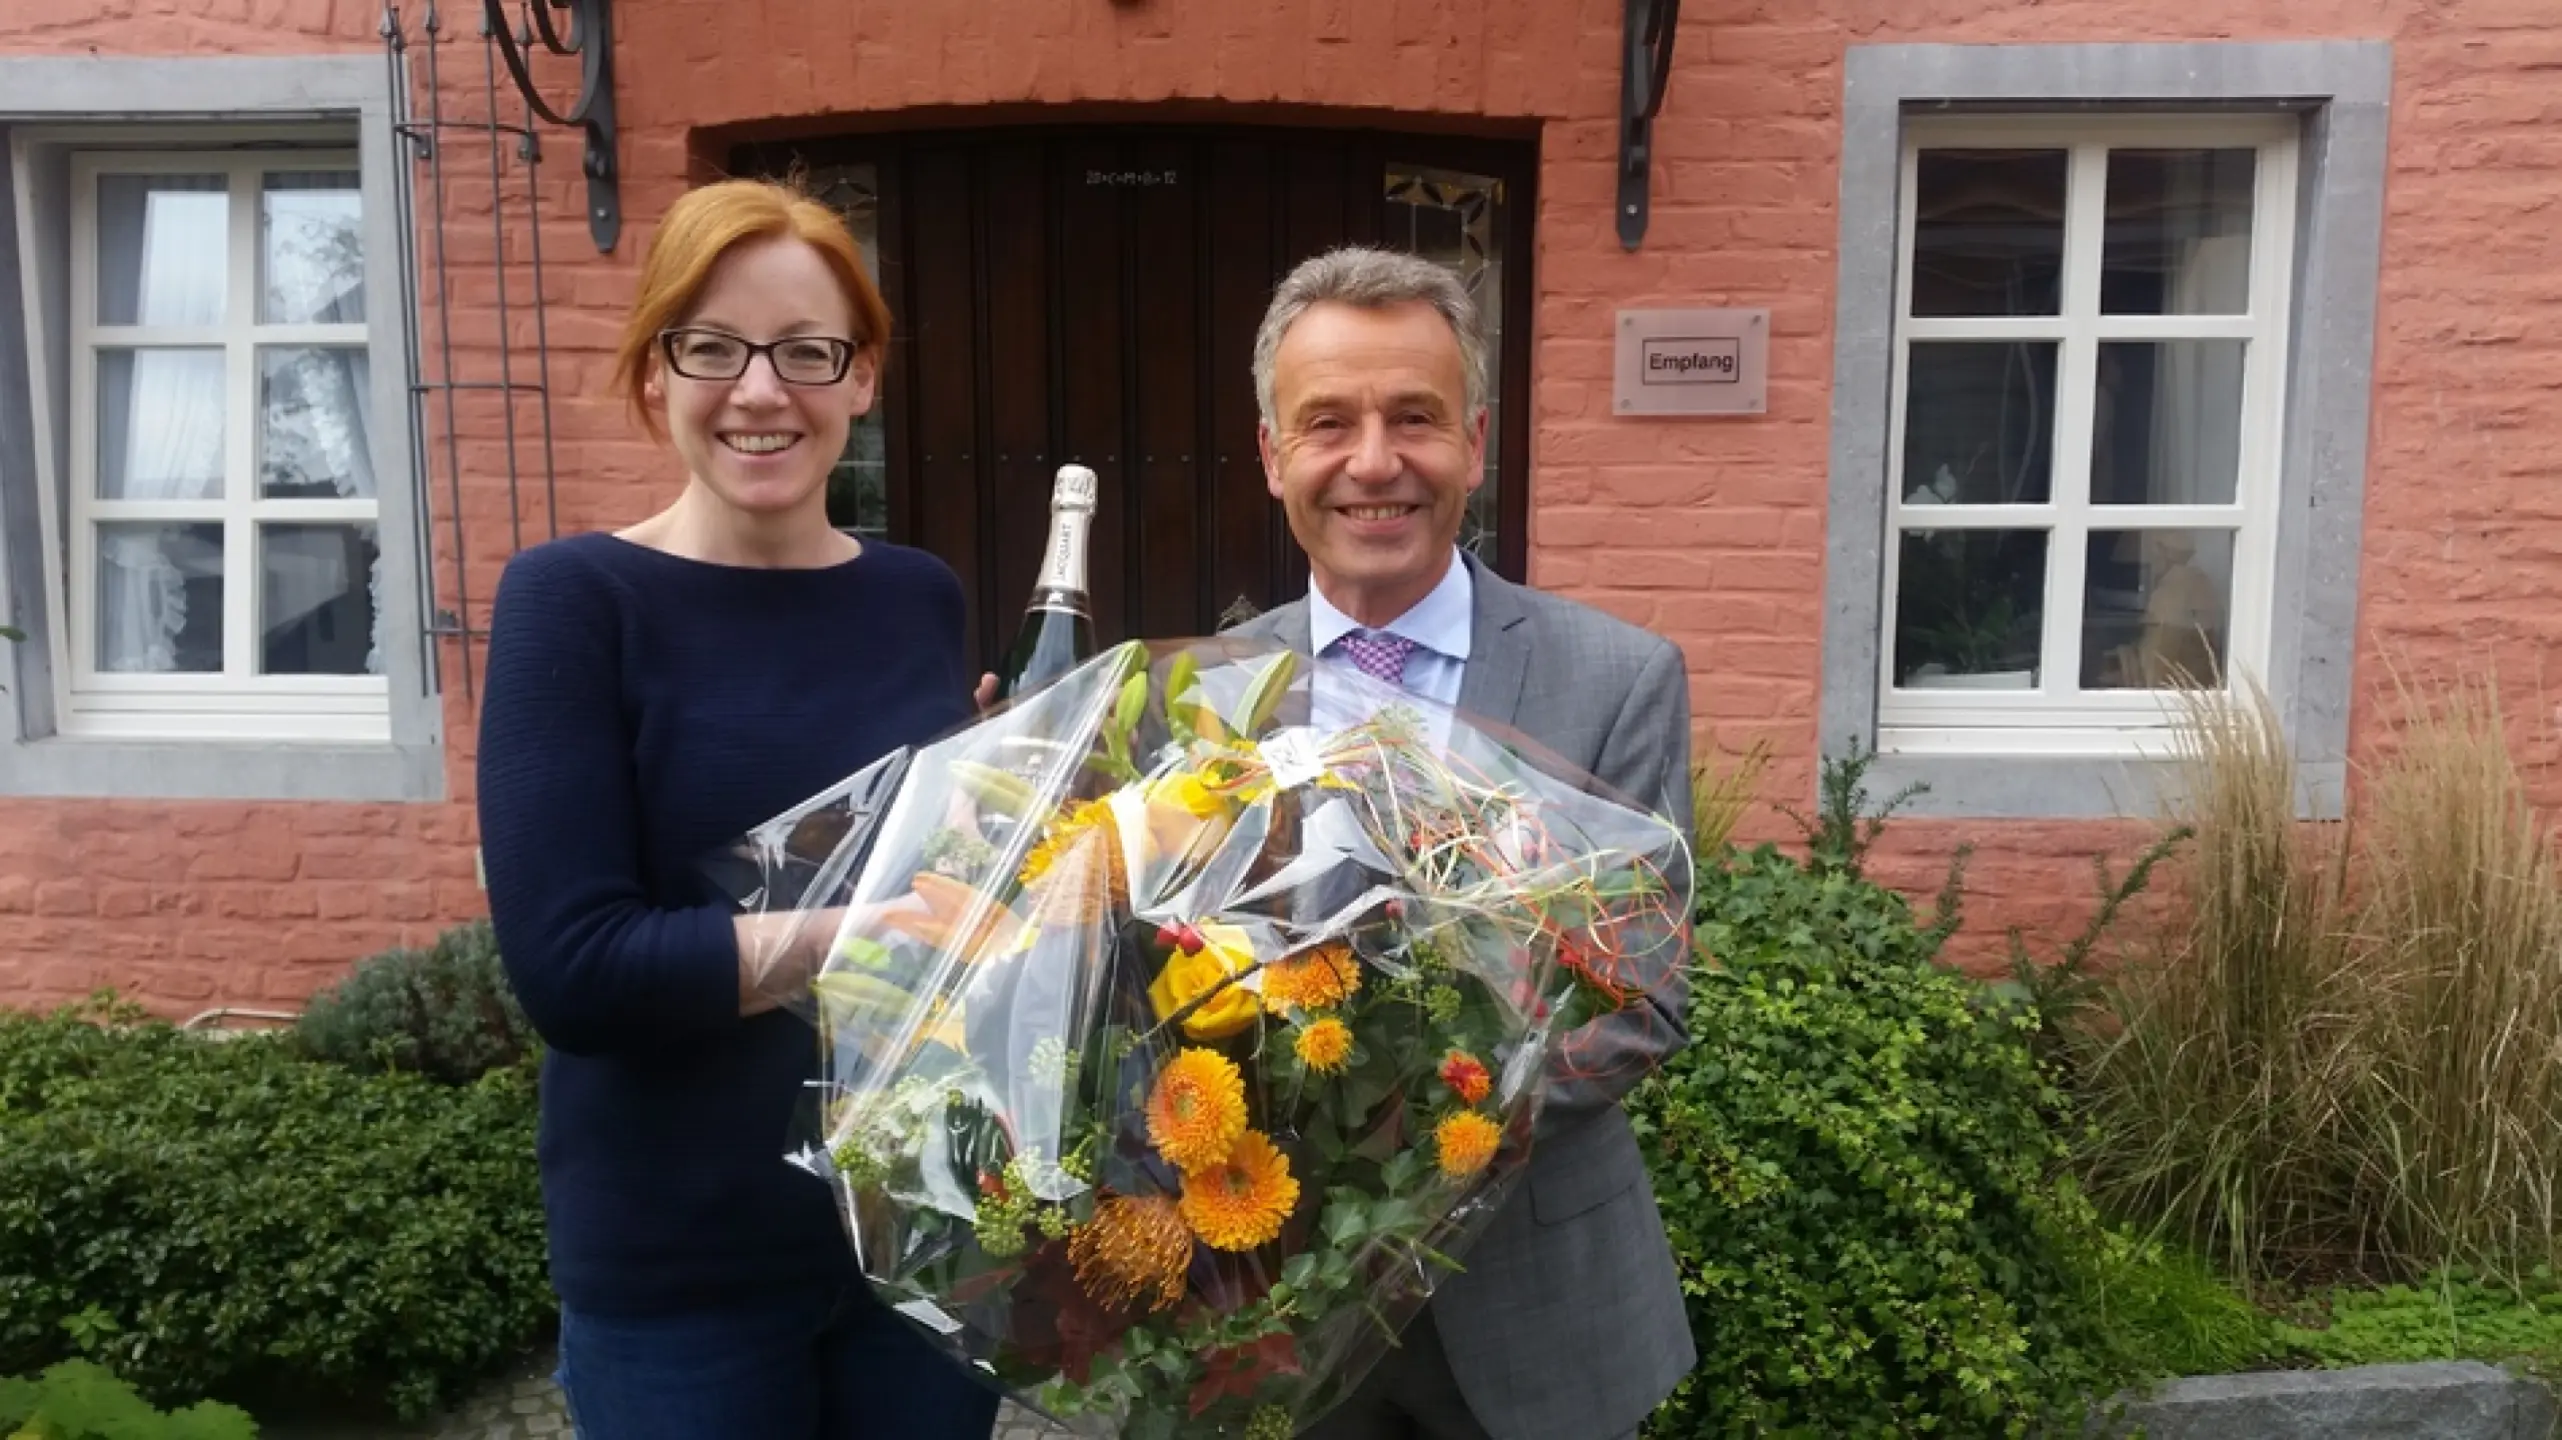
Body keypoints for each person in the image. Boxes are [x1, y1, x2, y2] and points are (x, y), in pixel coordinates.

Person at [475, 177, 1000, 1440]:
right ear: (656, 370)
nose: (761, 391)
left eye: (806, 351)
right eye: (713, 347)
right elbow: (574, 974)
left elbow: (944, 873)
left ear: (861, 377)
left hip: (924, 1236)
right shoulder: (573, 602)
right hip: (680, 1273)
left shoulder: (917, 597)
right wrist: (867, 937)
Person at [1229, 247, 1698, 1440]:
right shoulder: (1208, 695)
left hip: (1535, 1310)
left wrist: (1416, 1128)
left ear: (1474, 442)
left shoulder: (1617, 679)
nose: (1373, 461)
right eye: (1328, 422)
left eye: (1415, 418)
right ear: (1273, 455)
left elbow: (1640, 999)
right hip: (1273, 1310)